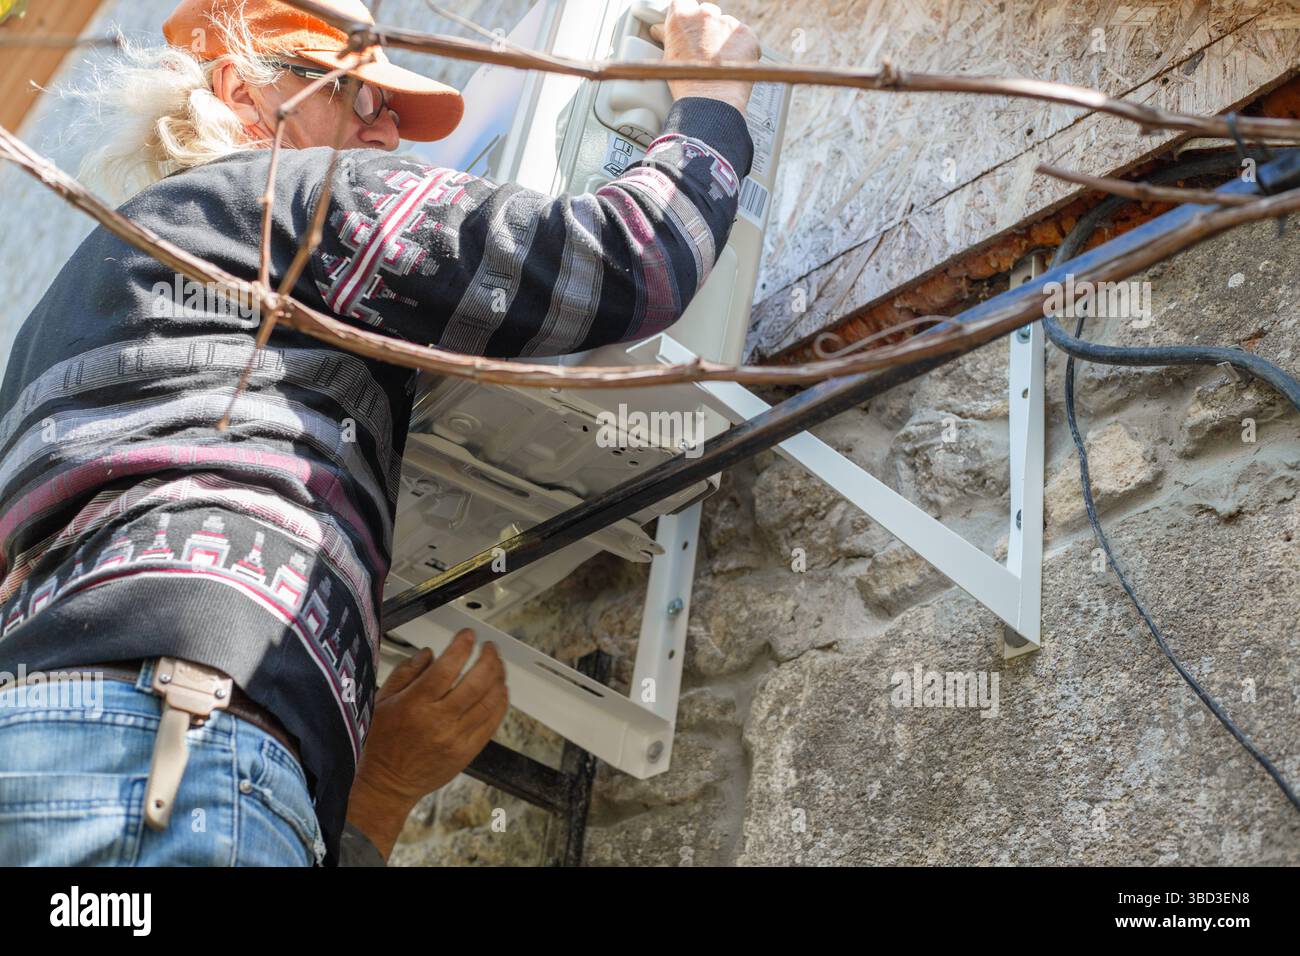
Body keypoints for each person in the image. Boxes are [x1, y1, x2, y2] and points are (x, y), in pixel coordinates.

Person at [0, 0, 758, 865]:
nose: (389, 136)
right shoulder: (289, 195)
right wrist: (715, 97)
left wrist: (376, 796)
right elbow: (625, 262)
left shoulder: (54, 325)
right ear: (242, 94)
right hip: (175, 747)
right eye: (362, 101)